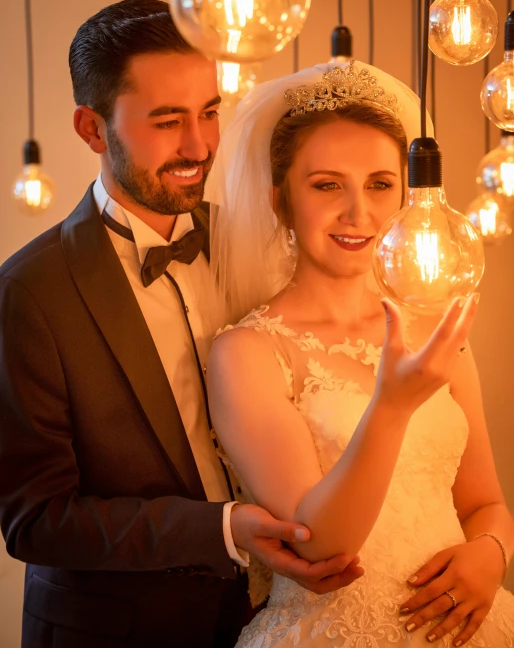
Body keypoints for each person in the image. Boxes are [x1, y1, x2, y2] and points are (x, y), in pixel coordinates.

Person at [0, 0, 362, 648]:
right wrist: (222, 527)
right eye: (167, 121)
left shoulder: (254, 239)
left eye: (210, 112)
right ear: (92, 127)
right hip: (116, 630)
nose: (198, 146)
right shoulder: (28, 291)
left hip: (274, 618)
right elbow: (37, 519)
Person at [207, 60, 514, 647]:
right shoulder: (247, 351)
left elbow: (486, 502)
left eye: (379, 184)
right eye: (327, 185)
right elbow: (319, 544)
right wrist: (392, 405)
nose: (359, 213)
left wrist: (491, 555)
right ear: (279, 201)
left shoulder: (438, 328)